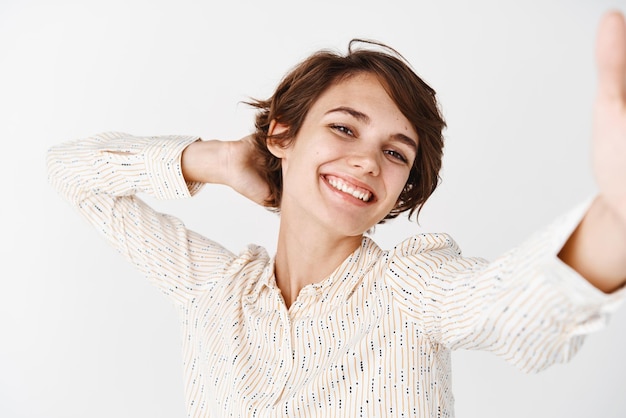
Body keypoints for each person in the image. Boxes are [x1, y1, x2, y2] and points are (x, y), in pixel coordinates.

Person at [47, 10, 626, 418]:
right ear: (282, 134)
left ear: (403, 186)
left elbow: (509, 303)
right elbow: (70, 173)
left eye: (395, 152)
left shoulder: (410, 285)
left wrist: (617, 213)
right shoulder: (214, 291)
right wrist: (218, 160)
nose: (368, 161)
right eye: (344, 127)